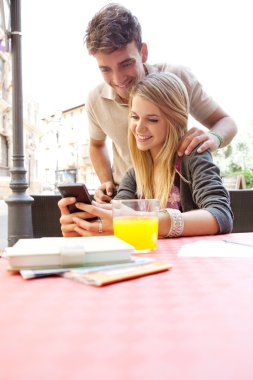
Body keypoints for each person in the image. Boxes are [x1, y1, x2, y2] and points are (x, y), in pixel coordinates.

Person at [84, 3, 237, 203]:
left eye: (126, 63)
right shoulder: (95, 100)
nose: (118, 79)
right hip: (129, 196)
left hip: (177, 196)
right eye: (105, 69)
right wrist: (106, 182)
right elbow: (96, 145)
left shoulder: (176, 78)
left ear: (143, 52)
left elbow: (226, 122)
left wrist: (213, 138)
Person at [58, 72, 233, 238]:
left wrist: (150, 222)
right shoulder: (133, 175)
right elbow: (117, 222)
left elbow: (221, 215)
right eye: (134, 117)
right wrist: (82, 227)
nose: (139, 128)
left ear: (175, 121)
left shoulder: (193, 157)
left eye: (152, 119)